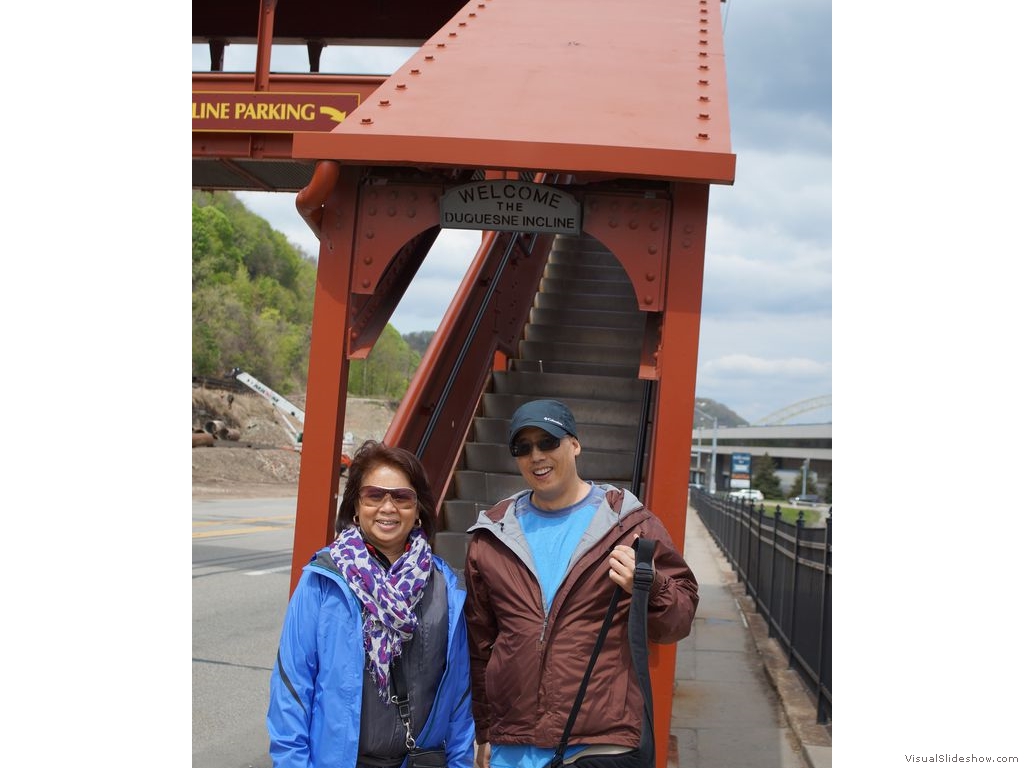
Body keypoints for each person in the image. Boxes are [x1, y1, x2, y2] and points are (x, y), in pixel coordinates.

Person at [464, 399, 700, 768]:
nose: (536, 456)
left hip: (600, 742)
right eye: (522, 448)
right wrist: (484, 729)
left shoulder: (630, 525)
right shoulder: (491, 536)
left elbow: (680, 618)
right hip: (513, 745)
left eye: (548, 442)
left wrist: (650, 584)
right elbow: (480, 645)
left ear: (574, 444)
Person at [268, 440, 475, 768]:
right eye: (374, 495)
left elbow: (459, 698)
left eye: (402, 497)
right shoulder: (323, 581)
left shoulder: (444, 588)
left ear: (418, 509)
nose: (388, 507)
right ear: (355, 506)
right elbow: (292, 689)